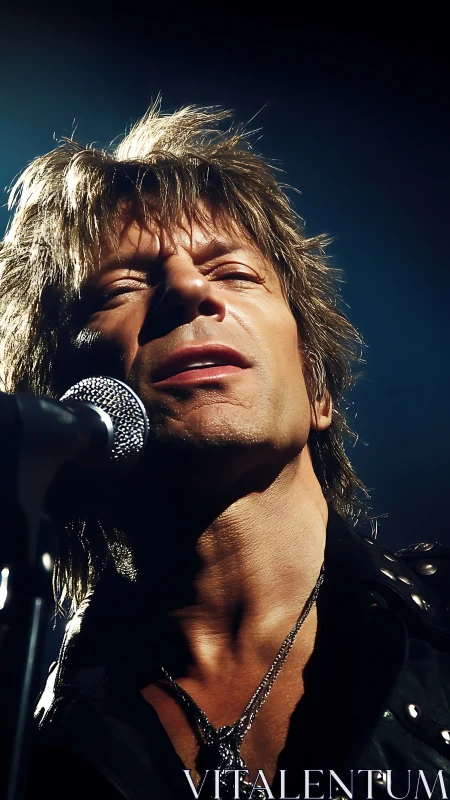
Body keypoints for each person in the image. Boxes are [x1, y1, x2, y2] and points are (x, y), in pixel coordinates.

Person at [1, 102, 450, 800]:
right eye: (122, 286)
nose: (186, 289)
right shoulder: (29, 748)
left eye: (235, 274)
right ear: (67, 399)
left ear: (319, 389)